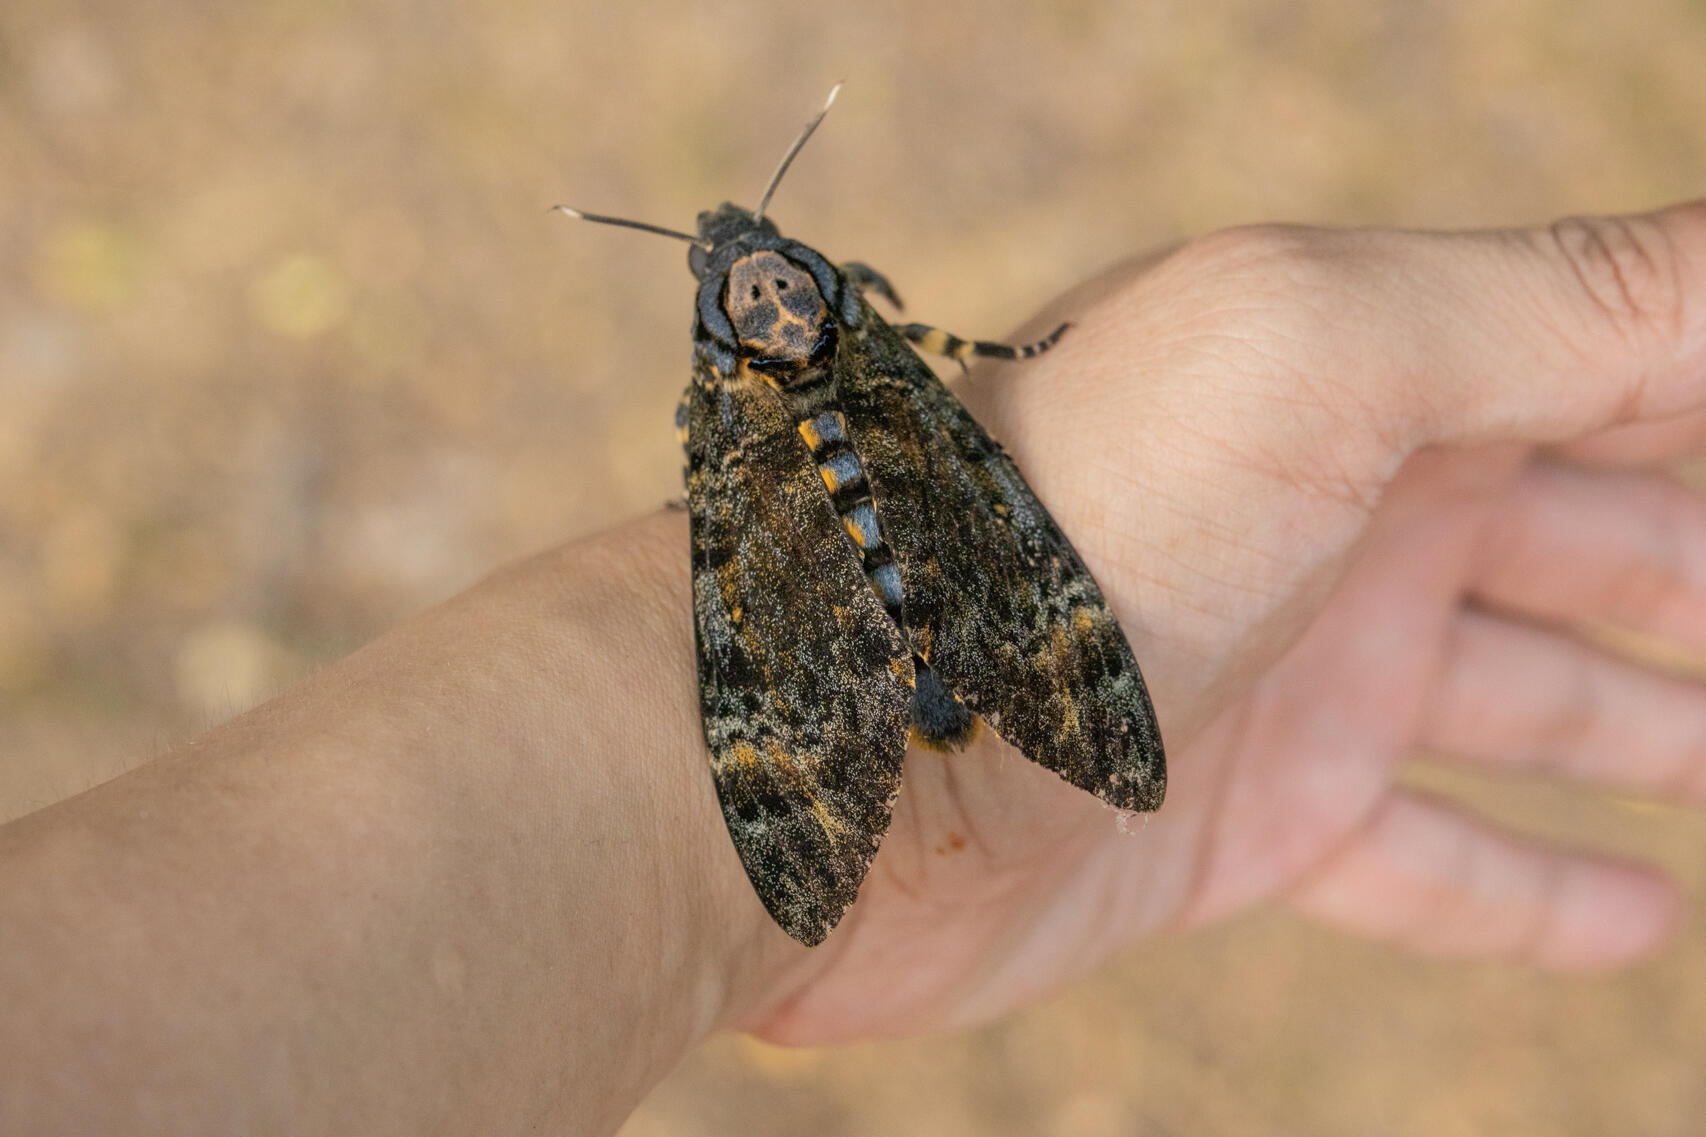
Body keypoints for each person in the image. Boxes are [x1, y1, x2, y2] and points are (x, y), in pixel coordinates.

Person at [3, 204, 1703, 1135]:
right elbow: (923, 359)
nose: (744, 278)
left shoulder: (759, 373)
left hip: (835, 552)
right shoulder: (829, 345)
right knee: (907, 541)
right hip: (905, 501)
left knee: (836, 552)